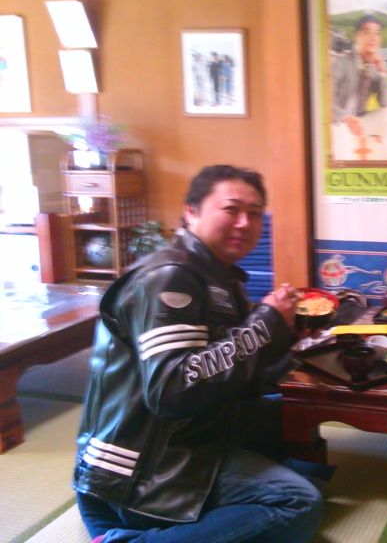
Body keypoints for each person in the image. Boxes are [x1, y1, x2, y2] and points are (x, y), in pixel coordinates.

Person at [73, 165, 324, 543]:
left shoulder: (217, 276)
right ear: (191, 211)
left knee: (294, 415)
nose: (245, 223)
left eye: (255, 213)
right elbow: (173, 389)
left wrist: (287, 339)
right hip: (137, 469)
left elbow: (237, 377)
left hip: (186, 433)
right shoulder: (169, 277)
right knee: (298, 502)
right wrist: (265, 323)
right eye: (231, 209)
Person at [330, 14, 387, 161]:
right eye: (368, 32)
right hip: (339, 121)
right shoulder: (341, 62)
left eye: (377, 34)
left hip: (360, 121)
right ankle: (346, 173)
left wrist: (382, 73)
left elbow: (386, 103)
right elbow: (325, 101)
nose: (373, 38)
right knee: (341, 130)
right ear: (358, 36)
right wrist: (345, 118)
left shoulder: (375, 66)